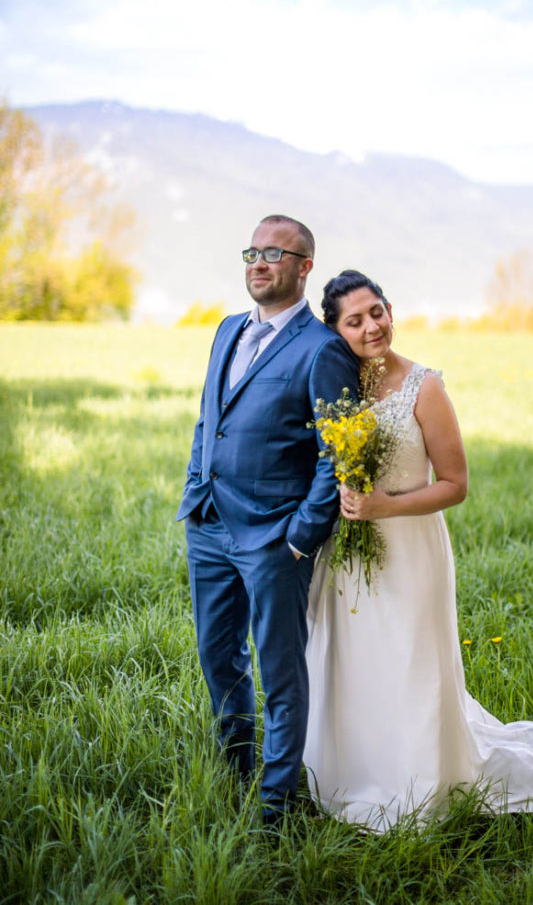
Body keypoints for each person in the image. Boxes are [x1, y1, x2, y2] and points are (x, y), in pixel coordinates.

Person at [304, 270, 533, 831]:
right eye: (355, 320)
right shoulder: (335, 386)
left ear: (391, 309)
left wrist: (383, 508)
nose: (372, 325)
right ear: (336, 332)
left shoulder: (424, 386)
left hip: (411, 548)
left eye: (377, 311)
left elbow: (455, 484)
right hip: (348, 551)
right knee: (355, 662)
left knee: (409, 662)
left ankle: (422, 780)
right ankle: (357, 769)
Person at [177, 217, 358, 826]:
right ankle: (234, 772)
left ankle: (274, 808)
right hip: (208, 525)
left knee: (281, 672)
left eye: (274, 253)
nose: (258, 262)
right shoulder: (227, 330)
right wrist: (193, 490)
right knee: (217, 654)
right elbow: (209, 421)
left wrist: (301, 537)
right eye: (252, 251)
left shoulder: (322, 348)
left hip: (274, 538)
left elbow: (339, 454)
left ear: (304, 266)